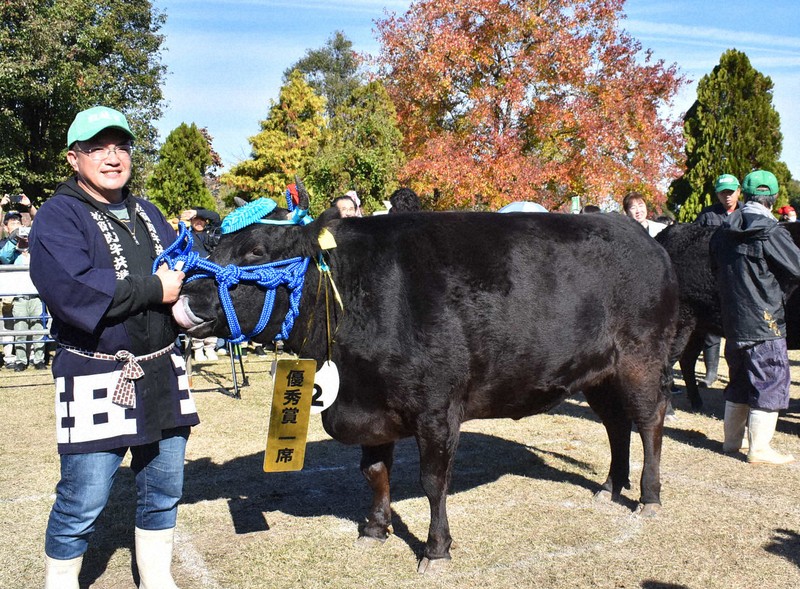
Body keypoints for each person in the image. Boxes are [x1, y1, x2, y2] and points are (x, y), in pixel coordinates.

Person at [29, 105, 199, 588]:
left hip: (162, 367)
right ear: (73, 157)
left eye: (120, 146)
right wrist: (153, 289)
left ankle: (156, 577)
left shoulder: (148, 212)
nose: (112, 157)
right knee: (83, 496)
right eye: (98, 148)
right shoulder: (57, 217)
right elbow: (72, 290)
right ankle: (59, 583)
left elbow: (180, 272)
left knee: (164, 485)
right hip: (95, 373)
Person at [710, 169, 800, 465]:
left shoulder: (723, 230)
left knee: (738, 380)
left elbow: (713, 266)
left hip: (733, 319)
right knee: (770, 380)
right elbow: (797, 268)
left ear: (744, 195)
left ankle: (731, 441)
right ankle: (759, 448)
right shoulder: (771, 231)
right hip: (765, 320)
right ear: (773, 199)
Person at [694, 173, 743, 387]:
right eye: (723, 193)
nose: (727, 197)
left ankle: (737, 373)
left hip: (740, 277)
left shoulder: (746, 213)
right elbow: (694, 240)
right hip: (712, 276)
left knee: (737, 329)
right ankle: (711, 372)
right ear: (717, 194)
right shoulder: (708, 215)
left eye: (731, 192)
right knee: (712, 328)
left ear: (738, 192)